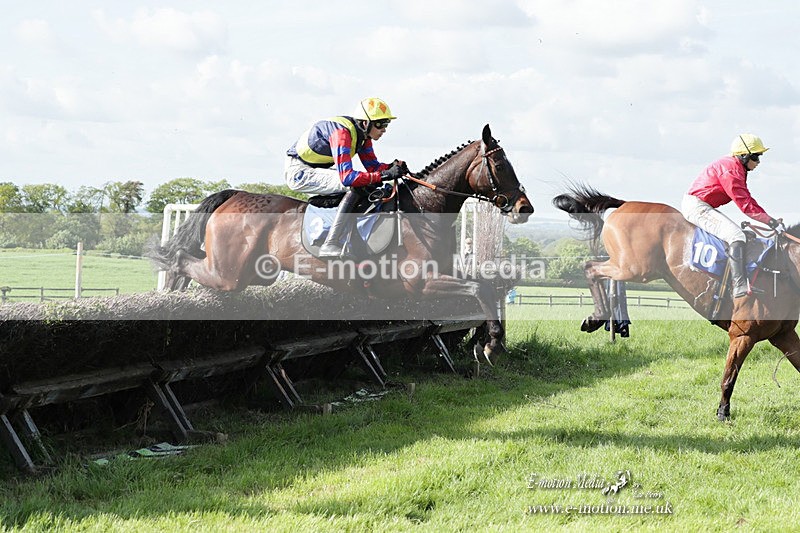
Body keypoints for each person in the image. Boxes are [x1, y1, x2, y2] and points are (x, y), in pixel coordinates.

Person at [285, 97, 407, 257]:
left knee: (367, 182)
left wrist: (392, 167)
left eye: (386, 124)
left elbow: (373, 167)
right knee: (355, 185)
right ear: (365, 123)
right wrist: (384, 175)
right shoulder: (342, 134)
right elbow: (347, 178)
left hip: (314, 169)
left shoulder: (363, 138)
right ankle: (330, 243)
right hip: (299, 173)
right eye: (380, 124)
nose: (384, 129)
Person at [681, 134, 783, 298]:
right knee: (736, 235)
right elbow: (746, 205)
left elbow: (747, 199)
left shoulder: (735, 167)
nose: (758, 162)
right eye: (755, 157)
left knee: (739, 235)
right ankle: (739, 285)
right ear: (744, 156)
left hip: (702, 204)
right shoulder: (732, 170)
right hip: (697, 206)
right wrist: (770, 222)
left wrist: (768, 220)